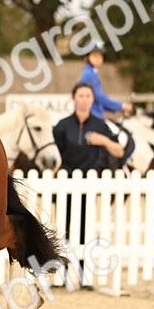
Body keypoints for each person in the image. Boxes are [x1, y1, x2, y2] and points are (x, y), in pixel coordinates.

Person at [52, 82, 125, 287]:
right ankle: (62, 277)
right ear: (74, 98)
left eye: (88, 96)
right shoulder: (63, 125)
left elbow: (119, 151)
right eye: (81, 95)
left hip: (89, 187)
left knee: (84, 230)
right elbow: (53, 155)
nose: (84, 100)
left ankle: (84, 278)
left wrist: (104, 141)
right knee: (64, 229)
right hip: (66, 185)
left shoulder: (100, 125)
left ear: (92, 100)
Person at [78, 43, 132, 118]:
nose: (98, 59)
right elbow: (99, 97)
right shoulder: (89, 74)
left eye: (100, 56)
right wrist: (121, 106)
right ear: (87, 57)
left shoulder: (93, 73)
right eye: (94, 56)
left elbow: (98, 102)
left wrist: (116, 108)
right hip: (91, 117)